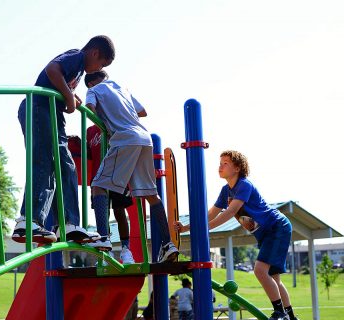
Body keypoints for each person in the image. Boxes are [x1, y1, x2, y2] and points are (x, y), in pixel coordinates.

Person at [12, 35, 115, 244]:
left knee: (65, 165)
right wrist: (68, 95)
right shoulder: (77, 57)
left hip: (50, 113)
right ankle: (28, 221)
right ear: (94, 52)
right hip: (39, 109)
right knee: (44, 162)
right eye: (101, 64)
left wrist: (71, 96)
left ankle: (68, 224)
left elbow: (60, 84)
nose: (97, 69)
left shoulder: (77, 71)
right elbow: (52, 69)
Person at [175, 150, 299, 320]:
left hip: (276, 227)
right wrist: (187, 227)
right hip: (266, 233)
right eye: (220, 162)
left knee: (260, 270)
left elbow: (230, 212)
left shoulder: (244, 185)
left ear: (237, 168)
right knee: (273, 277)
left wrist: (205, 229)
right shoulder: (226, 190)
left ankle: (280, 313)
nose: (220, 166)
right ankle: (291, 316)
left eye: (225, 163)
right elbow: (211, 213)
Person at [84, 70, 178, 263]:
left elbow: (90, 109)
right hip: (145, 138)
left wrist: (107, 123)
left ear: (90, 83)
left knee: (98, 186)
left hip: (124, 139)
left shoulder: (94, 90)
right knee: (151, 194)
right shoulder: (121, 88)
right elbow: (142, 111)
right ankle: (168, 245)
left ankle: (102, 239)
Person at [87, 124, 135, 264]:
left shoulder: (113, 122)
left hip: (117, 174)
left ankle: (126, 249)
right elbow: (89, 153)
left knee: (119, 211)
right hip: (98, 176)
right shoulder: (90, 131)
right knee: (102, 214)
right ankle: (105, 251)